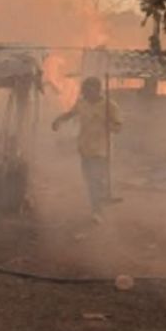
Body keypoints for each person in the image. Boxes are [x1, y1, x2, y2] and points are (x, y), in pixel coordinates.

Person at [52, 76, 122, 223]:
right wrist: (58, 120)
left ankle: (97, 210)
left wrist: (106, 122)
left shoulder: (110, 106)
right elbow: (71, 114)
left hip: (101, 150)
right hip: (84, 148)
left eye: (89, 91)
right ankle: (98, 203)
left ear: (97, 90)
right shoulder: (82, 103)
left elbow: (118, 128)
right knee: (90, 180)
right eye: (84, 91)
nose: (86, 94)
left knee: (95, 179)